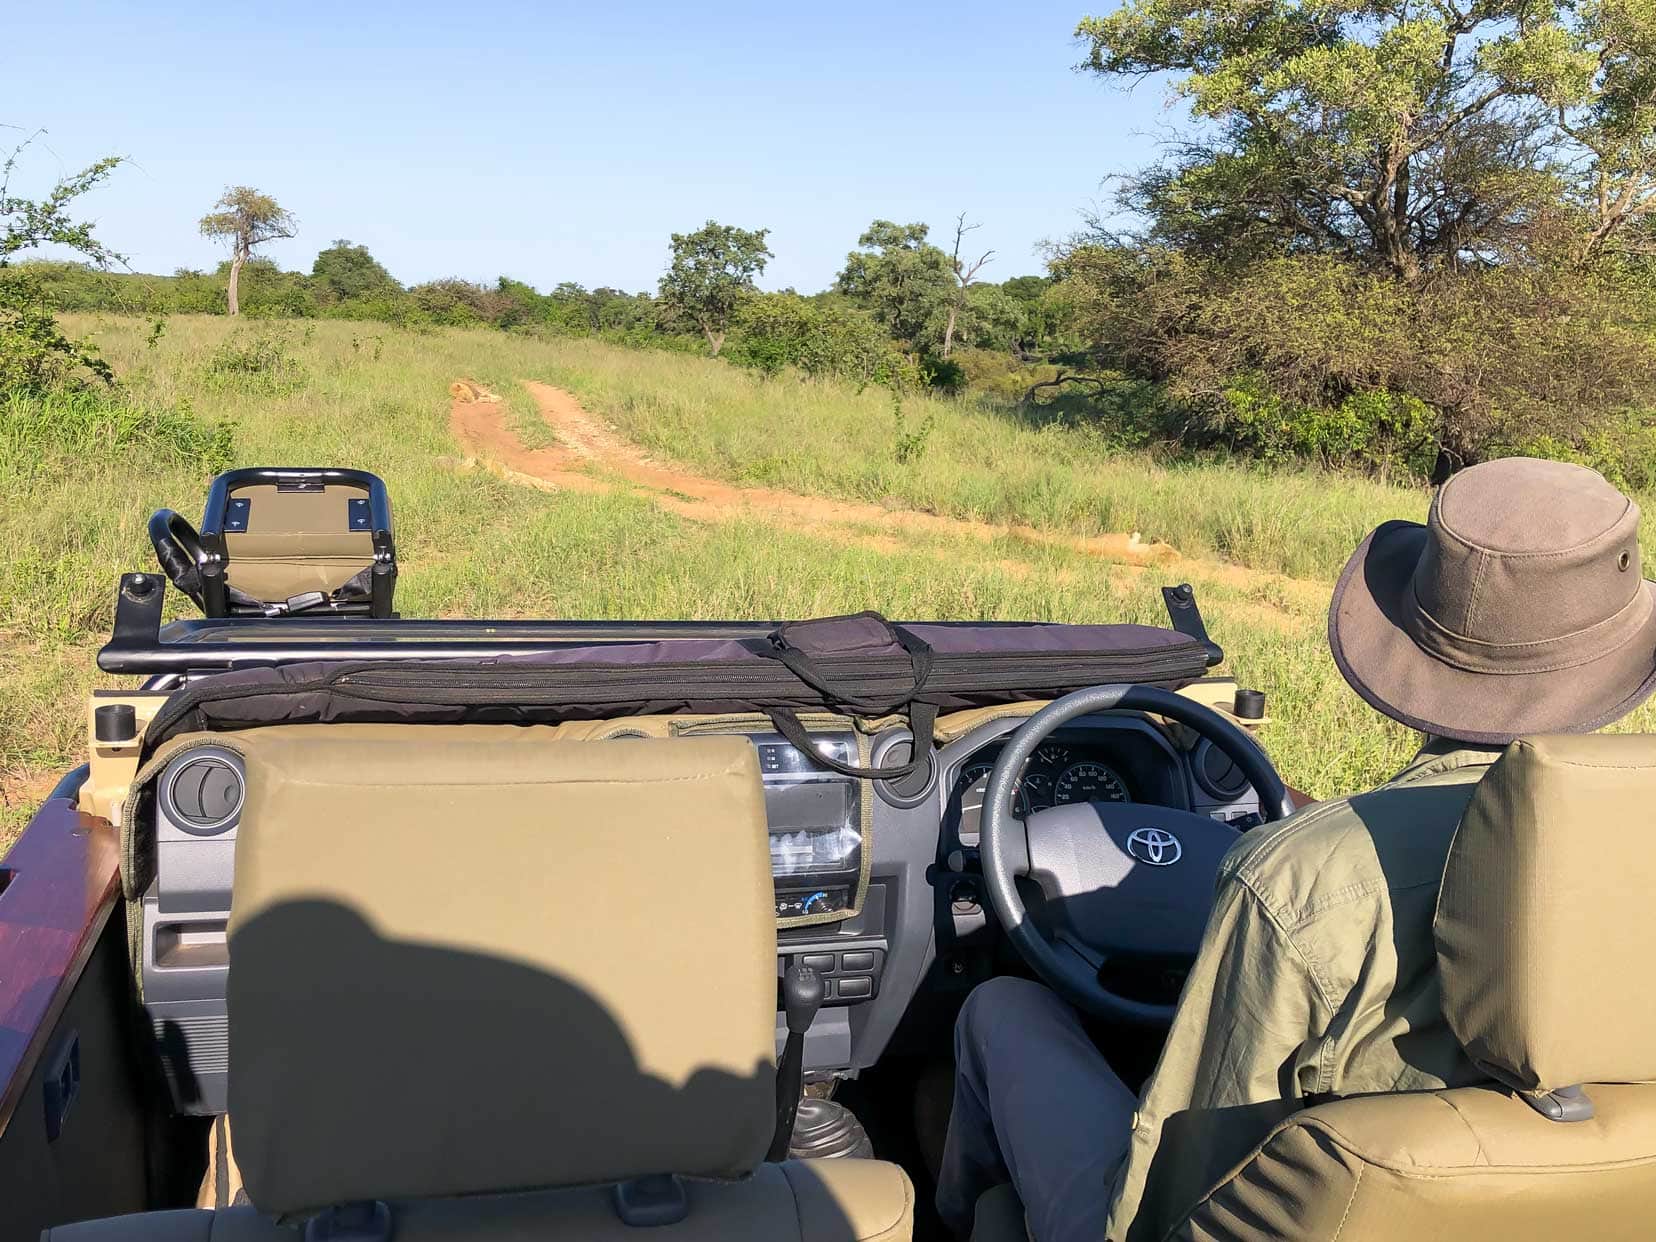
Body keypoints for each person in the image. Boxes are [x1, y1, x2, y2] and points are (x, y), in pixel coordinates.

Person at [935, 457, 1656, 1242]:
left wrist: (1294, 851)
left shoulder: (1297, 881)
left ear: (1410, 642)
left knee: (1000, 1008)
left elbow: (1180, 1174)